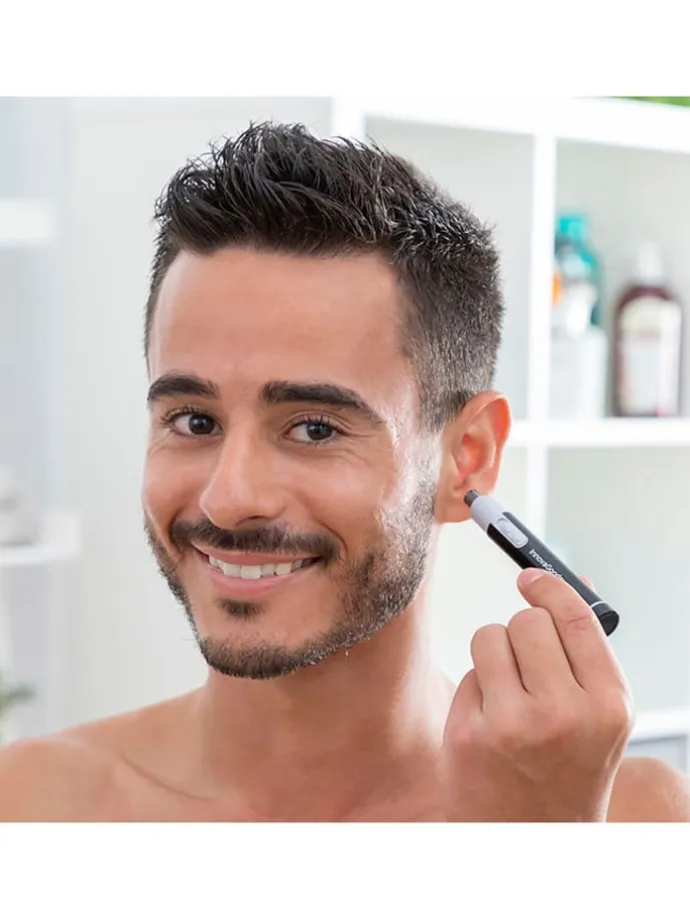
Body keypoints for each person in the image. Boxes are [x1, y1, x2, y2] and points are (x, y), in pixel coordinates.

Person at [1, 122, 688, 822]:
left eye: (314, 428)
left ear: (468, 457)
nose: (229, 498)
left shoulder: (628, 817)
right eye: (194, 421)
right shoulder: (28, 804)